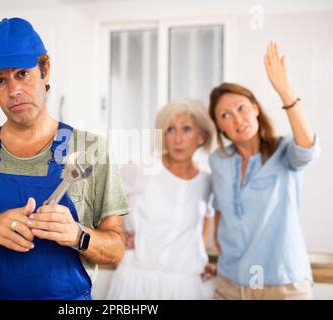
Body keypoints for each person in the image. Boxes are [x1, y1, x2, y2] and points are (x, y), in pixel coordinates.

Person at [0, 17, 130, 300]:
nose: (14, 91)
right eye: (0, 80)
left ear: (45, 70)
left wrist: (77, 235)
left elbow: (117, 249)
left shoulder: (91, 149)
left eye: (23, 73)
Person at [208, 41, 321, 300]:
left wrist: (285, 90)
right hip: (230, 282)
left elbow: (309, 149)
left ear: (256, 108)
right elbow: (218, 208)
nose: (237, 119)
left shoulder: (285, 151)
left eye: (242, 108)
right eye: (225, 115)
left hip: (282, 283)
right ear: (219, 127)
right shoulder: (219, 160)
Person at [106, 100, 216, 300]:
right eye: (170, 130)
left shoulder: (207, 179)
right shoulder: (142, 169)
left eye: (186, 129)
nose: (178, 139)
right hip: (137, 280)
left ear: (201, 137)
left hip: (187, 283)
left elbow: (206, 217)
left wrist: (200, 256)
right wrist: (115, 233)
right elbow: (101, 197)